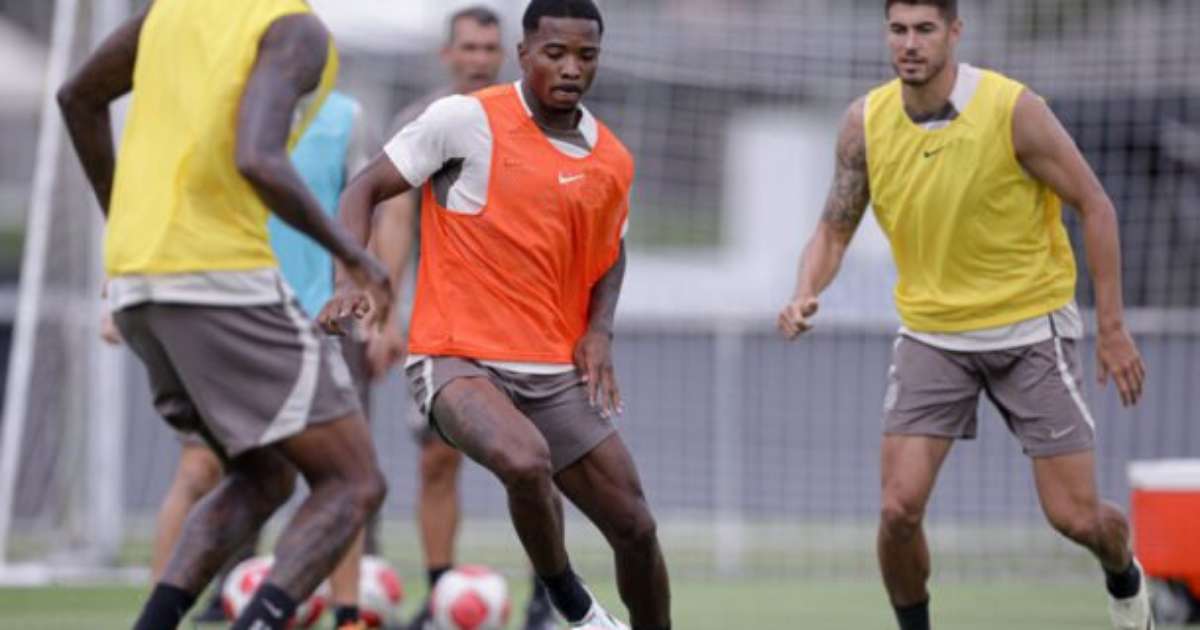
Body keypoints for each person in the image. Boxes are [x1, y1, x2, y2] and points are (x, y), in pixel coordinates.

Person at [777, 1, 1151, 629]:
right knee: (898, 510)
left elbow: (1096, 205)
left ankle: (1125, 574)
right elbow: (833, 231)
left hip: (1030, 329)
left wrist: (1112, 329)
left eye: (925, 29)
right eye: (898, 30)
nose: (910, 44)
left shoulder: (1012, 110)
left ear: (954, 32)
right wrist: (803, 290)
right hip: (932, 337)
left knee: (1077, 519)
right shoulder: (864, 124)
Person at [323, 1, 672, 628]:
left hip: (554, 368)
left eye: (585, 56)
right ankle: (571, 601)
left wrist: (599, 330)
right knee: (523, 458)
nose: (570, 68)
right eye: (555, 53)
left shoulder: (611, 158)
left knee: (637, 527)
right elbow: (365, 190)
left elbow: (611, 251)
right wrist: (356, 275)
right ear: (524, 54)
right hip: (455, 356)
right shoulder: (463, 120)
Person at [56, 1, 392, 629]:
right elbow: (258, 157)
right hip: (222, 278)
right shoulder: (292, 28)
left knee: (262, 476)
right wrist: (356, 257)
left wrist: (125, 224)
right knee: (354, 481)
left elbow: (78, 97)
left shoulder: (169, 13)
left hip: (140, 284)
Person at [139, 89, 380, 630]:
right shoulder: (217, 105)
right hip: (228, 311)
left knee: (342, 470)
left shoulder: (346, 116)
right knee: (204, 468)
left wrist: (365, 284)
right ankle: (167, 613)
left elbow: (368, 201)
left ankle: (348, 615)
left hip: (316, 314)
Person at [366, 7, 555, 629]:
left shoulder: (538, 123)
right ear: (448, 54)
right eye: (468, 47)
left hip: (530, 327)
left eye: (489, 47)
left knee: (533, 462)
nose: (479, 58)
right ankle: (442, 591)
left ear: (507, 54)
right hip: (443, 325)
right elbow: (392, 218)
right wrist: (385, 313)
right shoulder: (424, 123)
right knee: (435, 459)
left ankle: (544, 594)